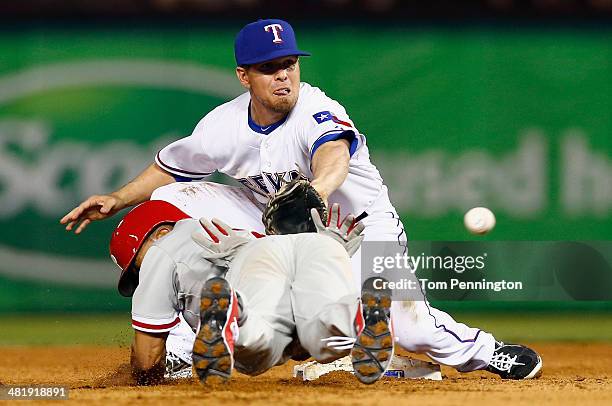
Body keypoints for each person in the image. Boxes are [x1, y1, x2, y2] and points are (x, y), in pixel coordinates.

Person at [62, 18, 541, 380]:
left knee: (408, 324)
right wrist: (118, 198)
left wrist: (313, 192)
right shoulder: (223, 125)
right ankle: (185, 346)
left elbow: (332, 155)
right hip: (276, 222)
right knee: (175, 198)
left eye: (288, 64)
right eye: (269, 69)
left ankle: (482, 350)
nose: (283, 76)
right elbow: (170, 166)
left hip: (358, 225)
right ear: (243, 76)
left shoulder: (317, 109)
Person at [111, 200, 393, 385]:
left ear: (159, 233)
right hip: (312, 244)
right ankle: (356, 312)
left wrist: (132, 375)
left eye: (136, 265)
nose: (139, 275)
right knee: (320, 339)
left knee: (256, 350)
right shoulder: (226, 229)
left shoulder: (160, 252)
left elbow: (148, 362)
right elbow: (297, 351)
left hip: (254, 272)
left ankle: (236, 313)